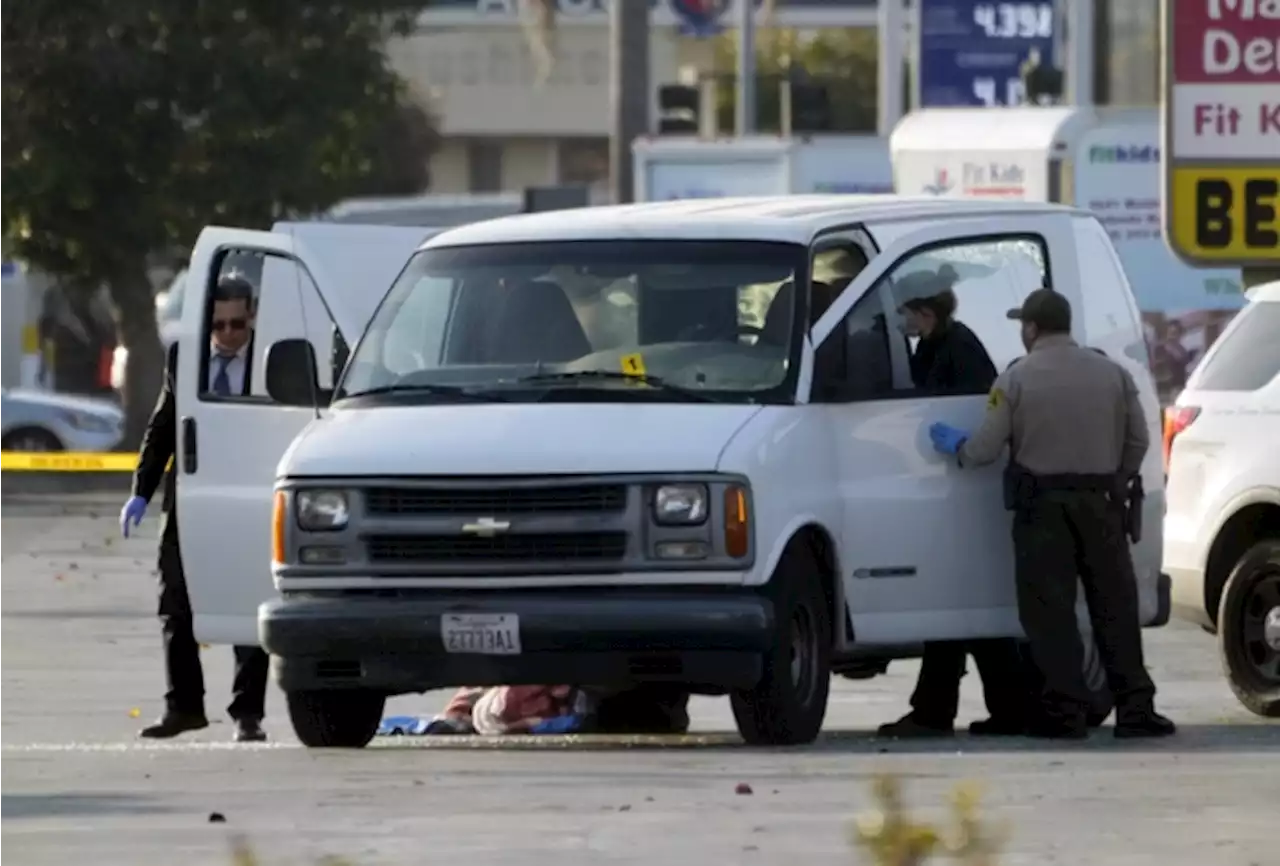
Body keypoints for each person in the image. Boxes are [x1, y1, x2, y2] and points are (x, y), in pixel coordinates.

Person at [927, 288, 1176, 739]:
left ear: (1031, 328)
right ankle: (1136, 709)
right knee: (1114, 609)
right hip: (1101, 503)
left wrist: (957, 447)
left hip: (1043, 509)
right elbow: (1139, 439)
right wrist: (1116, 478)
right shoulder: (1112, 373)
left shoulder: (1014, 380)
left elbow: (985, 449)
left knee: (1050, 613)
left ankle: (1065, 712)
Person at [877, 269, 1032, 739]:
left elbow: (973, 410)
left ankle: (938, 709)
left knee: (958, 604)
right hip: (952, 481)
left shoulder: (958, 349)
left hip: (963, 481)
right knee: (966, 607)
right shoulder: (938, 344)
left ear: (926, 313)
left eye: (905, 312)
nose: (900, 321)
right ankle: (997, 707)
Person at [119, 275, 271, 743]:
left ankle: (248, 714)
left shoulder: (271, 359)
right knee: (175, 603)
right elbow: (163, 426)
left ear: (253, 317)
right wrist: (141, 491)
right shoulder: (184, 358)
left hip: (247, 497)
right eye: (218, 325)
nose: (227, 335)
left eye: (237, 324)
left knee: (247, 604)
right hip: (190, 497)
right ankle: (183, 707)